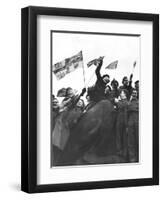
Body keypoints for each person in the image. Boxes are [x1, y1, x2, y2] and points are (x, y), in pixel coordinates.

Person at [115, 89, 129, 160]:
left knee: (124, 137)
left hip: (124, 121)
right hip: (119, 120)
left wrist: (117, 102)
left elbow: (122, 106)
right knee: (118, 136)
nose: (121, 94)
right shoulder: (120, 101)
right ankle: (119, 152)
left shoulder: (126, 101)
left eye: (122, 93)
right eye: (120, 93)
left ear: (125, 94)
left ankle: (124, 153)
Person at [127, 89, 139, 162]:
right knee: (131, 141)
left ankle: (139, 158)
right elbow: (127, 109)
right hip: (130, 121)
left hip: (137, 120)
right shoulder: (129, 102)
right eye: (133, 93)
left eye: (136, 93)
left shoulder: (139, 101)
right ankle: (132, 158)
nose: (134, 94)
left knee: (138, 139)